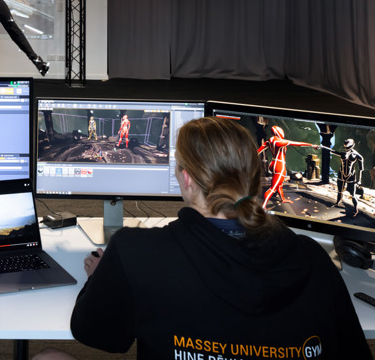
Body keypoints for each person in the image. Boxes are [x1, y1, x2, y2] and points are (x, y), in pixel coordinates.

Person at [33, 116, 370, 360]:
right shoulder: (311, 257)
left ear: (187, 179)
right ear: (257, 179)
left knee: (47, 356)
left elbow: (99, 335)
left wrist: (99, 279)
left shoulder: (136, 252)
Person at [259, 125, 320, 209]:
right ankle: (263, 206)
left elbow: (258, 151)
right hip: (279, 165)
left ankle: (282, 199)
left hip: (273, 163)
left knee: (279, 184)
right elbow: (298, 144)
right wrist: (312, 145)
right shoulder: (280, 142)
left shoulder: (269, 141)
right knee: (273, 188)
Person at [331, 137, 364, 215]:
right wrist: (321, 147)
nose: (346, 149)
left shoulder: (357, 156)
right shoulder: (343, 153)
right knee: (339, 190)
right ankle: (337, 202)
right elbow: (333, 151)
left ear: (353, 146)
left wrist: (359, 180)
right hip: (341, 174)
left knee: (353, 194)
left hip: (351, 176)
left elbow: (361, 169)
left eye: (348, 147)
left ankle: (356, 209)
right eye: (345, 147)